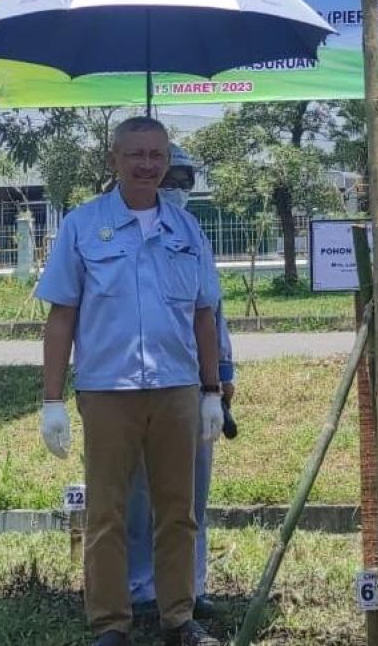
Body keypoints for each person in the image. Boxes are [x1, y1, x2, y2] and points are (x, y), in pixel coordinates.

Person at [37, 117, 224, 646]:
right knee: (106, 513)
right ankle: (110, 625)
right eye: (136, 154)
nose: (147, 165)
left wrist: (211, 391)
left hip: (176, 389)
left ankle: (178, 619)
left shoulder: (187, 231)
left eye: (157, 155)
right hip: (107, 392)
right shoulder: (81, 226)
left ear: (168, 162)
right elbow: (61, 317)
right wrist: (52, 400)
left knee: (178, 510)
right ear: (114, 160)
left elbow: (204, 315)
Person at [126, 145, 235, 621]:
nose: (179, 191)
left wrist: (222, 378)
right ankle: (141, 588)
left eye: (185, 181)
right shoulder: (110, 231)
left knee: (192, 494)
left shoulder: (194, 235)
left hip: (191, 383)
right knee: (138, 495)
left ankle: (191, 588)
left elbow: (212, 312)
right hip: (130, 385)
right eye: (174, 180)